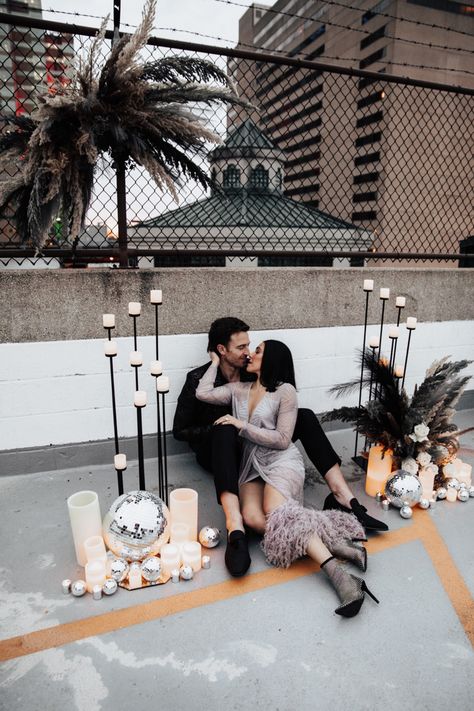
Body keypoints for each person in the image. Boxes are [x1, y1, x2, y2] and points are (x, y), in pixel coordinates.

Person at [173, 317, 387, 577]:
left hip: (259, 443)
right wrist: (229, 427)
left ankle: (343, 495)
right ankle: (235, 526)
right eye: (241, 347)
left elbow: (273, 409)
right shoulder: (197, 377)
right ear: (221, 350)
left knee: (305, 416)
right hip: (221, 451)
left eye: (250, 346)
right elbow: (180, 431)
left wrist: (246, 427)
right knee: (224, 430)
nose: (248, 352)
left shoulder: (250, 372)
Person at [196, 340, 379, 617]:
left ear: (271, 359)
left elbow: (283, 440)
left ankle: (340, 576)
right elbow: (203, 393)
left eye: (257, 351)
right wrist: (213, 363)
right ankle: (336, 542)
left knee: (276, 512)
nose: (250, 354)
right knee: (254, 520)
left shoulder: (285, 391)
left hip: (281, 460)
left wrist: (241, 425)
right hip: (252, 465)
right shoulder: (239, 390)